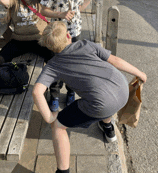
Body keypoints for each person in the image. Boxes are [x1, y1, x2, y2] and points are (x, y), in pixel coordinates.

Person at [32, 21, 147, 173]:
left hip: (102, 103)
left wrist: (50, 118)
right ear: (68, 35)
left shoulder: (53, 65)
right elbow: (116, 61)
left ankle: (63, 171)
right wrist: (140, 74)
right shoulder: (85, 44)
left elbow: (36, 92)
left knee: (59, 127)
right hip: (122, 89)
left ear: (49, 47)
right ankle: (108, 128)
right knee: (101, 96)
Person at [40, 0, 99, 111]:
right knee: (56, 65)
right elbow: (43, 10)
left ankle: (71, 92)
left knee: (74, 65)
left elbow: (80, 9)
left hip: (75, 33)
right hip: (58, 34)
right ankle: (54, 96)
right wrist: (61, 13)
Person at [0, 0, 54, 67]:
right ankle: (16, 74)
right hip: (19, 40)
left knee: (55, 58)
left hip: (39, 39)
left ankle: (50, 81)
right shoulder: (15, 1)